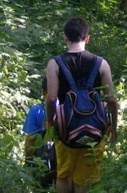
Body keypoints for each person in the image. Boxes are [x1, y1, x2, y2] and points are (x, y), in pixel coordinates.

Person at [46, 17, 118, 193]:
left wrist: (50, 122)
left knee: (63, 174)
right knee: (83, 179)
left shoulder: (54, 64)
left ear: (65, 38)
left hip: (65, 129)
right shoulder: (101, 63)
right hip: (95, 128)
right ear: (87, 38)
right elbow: (112, 100)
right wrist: (113, 126)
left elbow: (51, 99)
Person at [23, 77, 57, 188]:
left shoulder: (36, 110)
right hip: (63, 162)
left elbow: (30, 139)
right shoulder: (65, 110)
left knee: (39, 187)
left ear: (43, 92)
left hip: (41, 163)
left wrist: (27, 161)